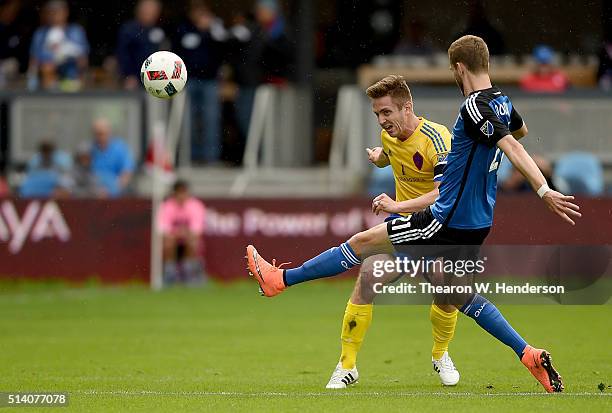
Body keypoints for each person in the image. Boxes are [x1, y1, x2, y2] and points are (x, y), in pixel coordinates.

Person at [246, 35, 581, 393]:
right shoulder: (501, 100)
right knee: (458, 295)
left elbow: (510, 143)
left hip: (445, 218)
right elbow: (520, 131)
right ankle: (528, 353)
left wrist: (543, 190)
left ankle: (281, 280)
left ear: (458, 68)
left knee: (362, 243)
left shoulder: (470, 109)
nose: (382, 120)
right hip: (477, 221)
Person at [325, 75, 459, 389]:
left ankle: (440, 354)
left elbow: (443, 194)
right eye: (377, 115)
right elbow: (392, 155)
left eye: (386, 113)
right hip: (405, 232)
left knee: (447, 290)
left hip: (439, 229)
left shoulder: (437, 138)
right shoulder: (389, 137)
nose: (381, 120)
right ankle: (347, 365)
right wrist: (378, 158)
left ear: (407, 107)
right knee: (369, 275)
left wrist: (396, 207)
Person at [174, 0, 226, 164]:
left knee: (211, 119)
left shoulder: (216, 28)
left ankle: (211, 157)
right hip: (189, 80)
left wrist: (209, 30)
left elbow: (223, 45)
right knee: (189, 119)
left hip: (210, 81)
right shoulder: (184, 28)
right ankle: (191, 155)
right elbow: (180, 49)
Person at [27, 0, 89, 91]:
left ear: (66, 12)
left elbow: (83, 61)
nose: (53, 16)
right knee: (47, 68)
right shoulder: (40, 34)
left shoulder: (76, 31)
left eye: (57, 12)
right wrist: (32, 81)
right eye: (50, 12)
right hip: (47, 83)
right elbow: (34, 61)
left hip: (71, 80)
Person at [156, 179, 206, 284]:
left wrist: (183, 233)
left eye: (184, 192)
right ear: (174, 193)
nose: (182, 195)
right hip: (173, 240)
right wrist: (178, 233)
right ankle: (170, 275)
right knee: (168, 242)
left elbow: (197, 230)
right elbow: (163, 230)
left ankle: (189, 274)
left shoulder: (196, 206)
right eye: (179, 192)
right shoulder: (167, 206)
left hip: (188, 240)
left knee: (193, 242)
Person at [116, 0, 165, 90]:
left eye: (154, 10)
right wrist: (128, 75)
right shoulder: (129, 29)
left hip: (156, 79)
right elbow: (123, 54)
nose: (150, 13)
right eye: (147, 9)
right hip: (134, 78)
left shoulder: (159, 30)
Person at [90, 117, 135, 196]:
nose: (99, 137)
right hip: (93, 196)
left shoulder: (121, 149)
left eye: (102, 133)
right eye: (96, 134)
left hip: (115, 198)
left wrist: (111, 190)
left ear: (109, 132)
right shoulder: (90, 149)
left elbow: (126, 174)